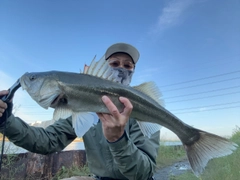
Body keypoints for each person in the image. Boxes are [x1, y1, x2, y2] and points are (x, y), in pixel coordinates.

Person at [0, 43, 160, 180]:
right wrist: (6, 121)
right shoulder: (81, 108)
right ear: (104, 68)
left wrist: (118, 140)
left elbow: (144, 173)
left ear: (133, 70)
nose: (120, 69)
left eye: (127, 65)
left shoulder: (144, 111)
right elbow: (47, 141)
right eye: (114, 63)